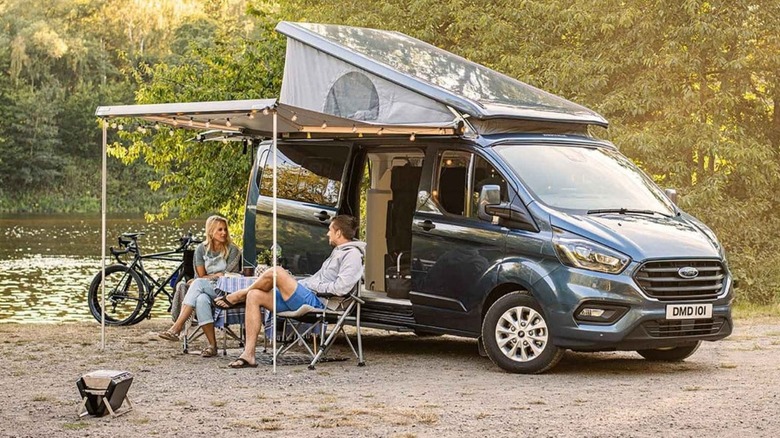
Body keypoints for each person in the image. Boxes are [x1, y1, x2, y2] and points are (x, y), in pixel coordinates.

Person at [220, 214, 365, 368]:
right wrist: (300, 283)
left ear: (338, 233)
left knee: (276, 271)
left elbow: (341, 288)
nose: (327, 233)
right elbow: (318, 279)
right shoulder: (338, 252)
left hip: (321, 303)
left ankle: (238, 295)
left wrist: (313, 285)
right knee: (254, 295)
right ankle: (248, 355)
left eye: (330, 230)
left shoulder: (352, 255)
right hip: (309, 295)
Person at [158, 215, 241, 357]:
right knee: (201, 299)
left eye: (225, 229)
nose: (224, 233)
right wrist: (214, 276)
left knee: (197, 284)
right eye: (219, 230)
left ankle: (177, 328)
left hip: (226, 291)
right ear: (210, 232)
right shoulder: (201, 250)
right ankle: (212, 346)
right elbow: (200, 276)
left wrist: (209, 278)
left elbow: (228, 276)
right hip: (206, 288)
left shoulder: (232, 250)